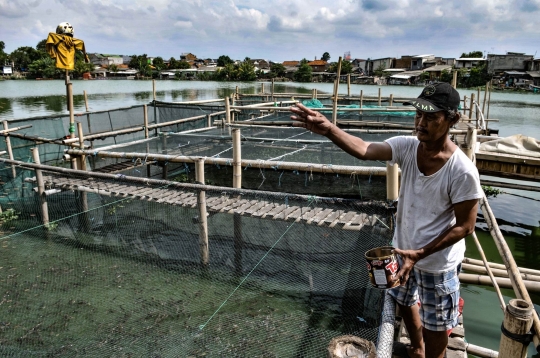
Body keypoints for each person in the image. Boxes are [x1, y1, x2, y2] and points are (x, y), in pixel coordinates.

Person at [290, 83, 482, 358]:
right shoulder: (407, 147)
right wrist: (330, 129)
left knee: (437, 327)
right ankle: (416, 348)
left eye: (431, 117)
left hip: (438, 262)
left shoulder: (462, 170)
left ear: (452, 119)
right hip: (402, 250)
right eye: (418, 115)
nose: (421, 123)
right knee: (404, 300)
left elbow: (466, 226)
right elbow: (365, 149)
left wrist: (420, 254)